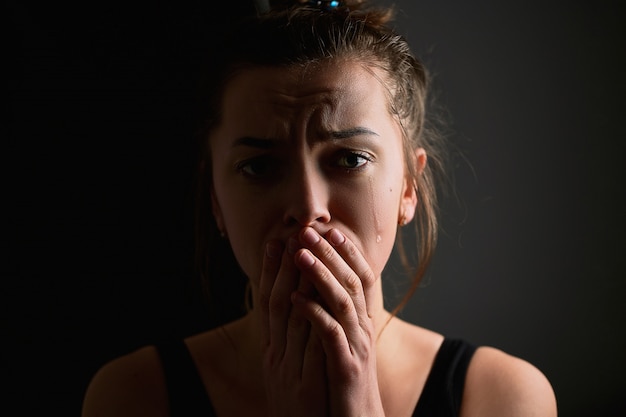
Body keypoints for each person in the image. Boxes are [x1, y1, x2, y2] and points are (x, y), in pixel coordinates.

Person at [82, 1, 557, 416]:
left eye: (350, 160)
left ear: (409, 187)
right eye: (260, 167)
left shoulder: (501, 396)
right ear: (215, 202)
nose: (308, 209)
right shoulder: (135, 396)